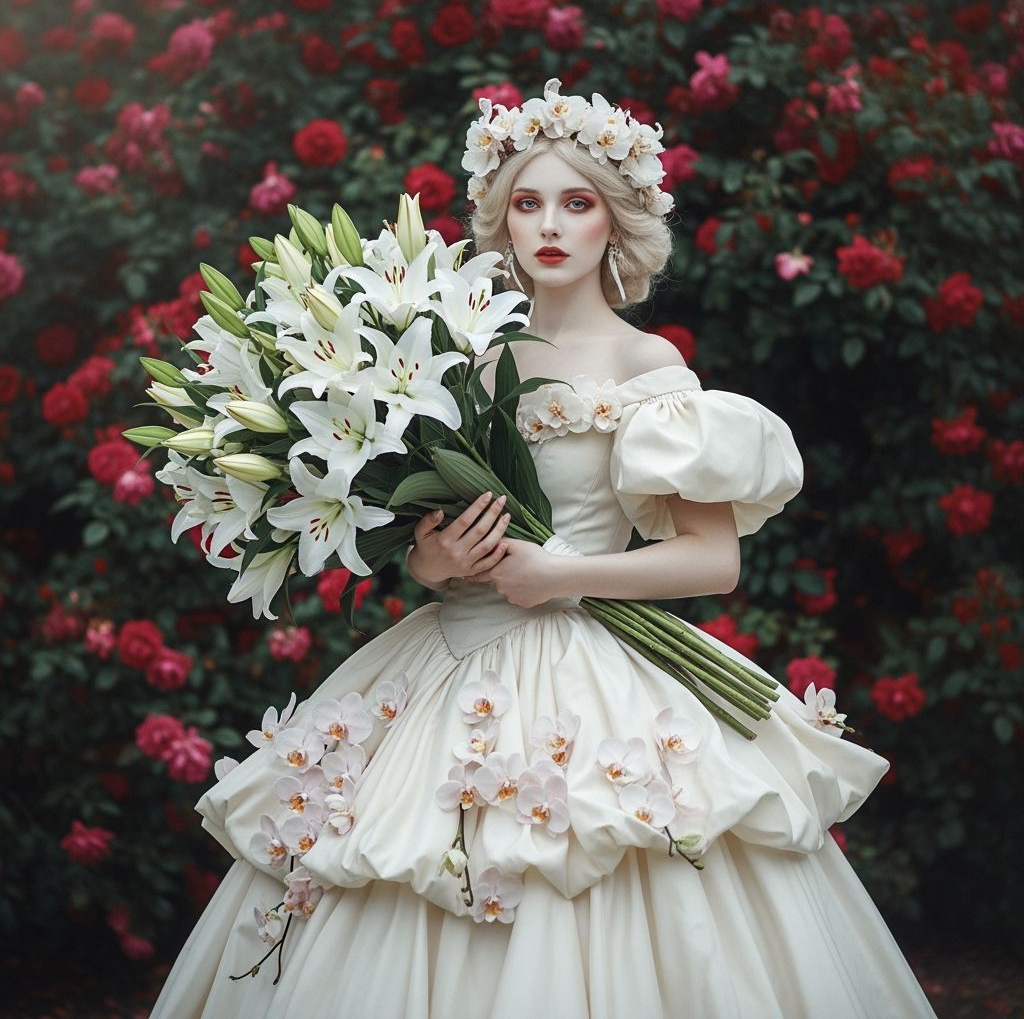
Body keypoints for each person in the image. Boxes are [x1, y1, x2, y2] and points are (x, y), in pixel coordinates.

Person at [149, 80, 938, 1018]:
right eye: (527, 203)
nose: (550, 226)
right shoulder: (459, 354)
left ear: (615, 221)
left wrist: (561, 574)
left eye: (577, 203)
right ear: (503, 219)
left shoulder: (645, 365)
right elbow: (421, 539)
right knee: (384, 854)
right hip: (444, 658)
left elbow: (711, 561)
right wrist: (434, 563)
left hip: (590, 669)